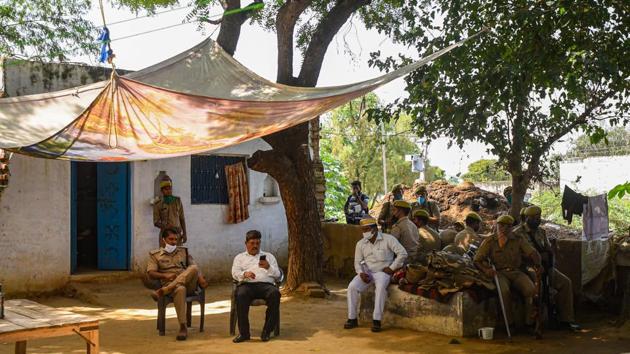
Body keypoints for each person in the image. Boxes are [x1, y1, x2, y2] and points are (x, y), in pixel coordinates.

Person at [513, 206, 581, 331]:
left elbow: (548, 250)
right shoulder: (517, 233)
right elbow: (515, 253)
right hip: (526, 267)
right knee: (539, 287)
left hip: (544, 266)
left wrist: (549, 260)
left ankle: (566, 320)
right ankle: (533, 322)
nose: (537, 220)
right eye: (534, 218)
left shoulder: (541, 232)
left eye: (538, 217)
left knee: (566, 283)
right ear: (527, 218)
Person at [474, 215, 542, 330]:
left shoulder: (518, 239)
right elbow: (477, 260)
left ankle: (529, 323)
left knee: (530, 290)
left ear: (511, 227)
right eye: (500, 225)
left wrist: (538, 265)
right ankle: (509, 324)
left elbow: (532, 253)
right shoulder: (490, 240)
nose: (502, 228)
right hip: (499, 273)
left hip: (516, 272)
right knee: (504, 292)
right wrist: (486, 270)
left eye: (506, 226)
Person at [344, 217, 407, 332]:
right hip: (367, 272)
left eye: (366, 229)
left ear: (374, 229)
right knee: (352, 287)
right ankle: (352, 318)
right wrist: (361, 273)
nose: (364, 232)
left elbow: (402, 253)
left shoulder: (389, 239)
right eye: (363, 230)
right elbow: (357, 262)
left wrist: (392, 267)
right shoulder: (360, 244)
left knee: (381, 288)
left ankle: (376, 320)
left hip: (382, 272)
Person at [147, 228, 208, 341]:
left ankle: (165, 290)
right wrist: (165, 276)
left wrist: (200, 279)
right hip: (172, 285)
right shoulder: (155, 255)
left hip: (188, 285)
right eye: (171, 239)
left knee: (193, 268)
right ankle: (183, 327)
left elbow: (195, 267)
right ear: (163, 240)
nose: (174, 242)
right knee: (180, 289)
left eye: (176, 239)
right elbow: (151, 273)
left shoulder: (183, 251)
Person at [231, 230, 282, 343]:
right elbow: (234, 273)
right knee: (240, 294)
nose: (255, 246)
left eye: (257, 243)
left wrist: (268, 267)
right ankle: (244, 334)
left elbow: (278, 275)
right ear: (246, 243)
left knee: (275, 294)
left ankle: (266, 332)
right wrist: (244, 274)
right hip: (247, 285)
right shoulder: (239, 257)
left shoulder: (269, 256)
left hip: (266, 286)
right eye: (252, 243)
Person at [153, 178, 187, 247]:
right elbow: (156, 222)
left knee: (178, 255)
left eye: (170, 189)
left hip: (177, 235)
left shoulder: (178, 201)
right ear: (162, 191)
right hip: (165, 235)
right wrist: (166, 226)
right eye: (166, 189)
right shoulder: (158, 204)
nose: (168, 191)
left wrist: (185, 233)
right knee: (165, 256)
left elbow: (182, 218)